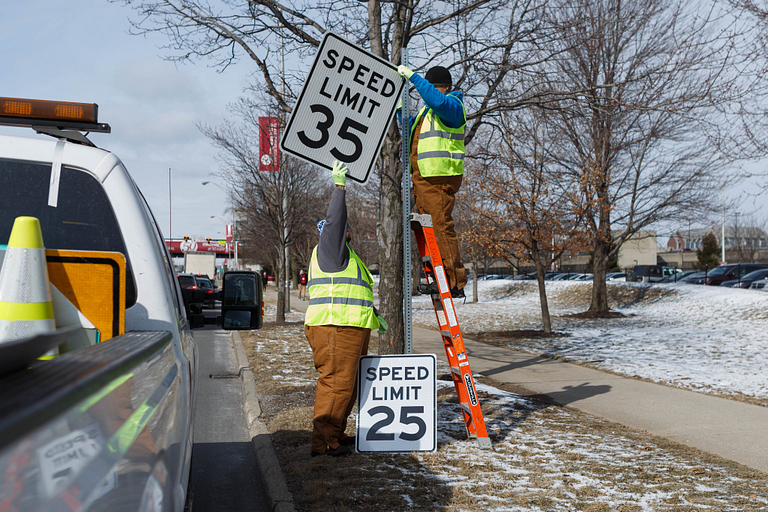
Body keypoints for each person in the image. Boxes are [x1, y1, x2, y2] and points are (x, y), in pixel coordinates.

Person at [304, 160, 388, 457]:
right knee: (337, 384)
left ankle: (334, 436)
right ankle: (324, 444)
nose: (346, 230)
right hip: (335, 325)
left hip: (347, 326)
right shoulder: (330, 245)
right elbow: (336, 221)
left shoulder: (344, 255)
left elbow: (349, 290)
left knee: (346, 385)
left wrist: (373, 314)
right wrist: (339, 187)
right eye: (341, 229)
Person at [397, 64, 467, 299]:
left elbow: (437, 101)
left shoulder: (453, 106)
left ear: (446, 88)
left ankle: (454, 282)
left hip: (439, 178)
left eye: (434, 88)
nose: (429, 93)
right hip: (423, 180)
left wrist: (415, 78)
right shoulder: (426, 114)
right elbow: (407, 128)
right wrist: (399, 107)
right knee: (430, 232)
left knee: (441, 228)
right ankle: (440, 279)